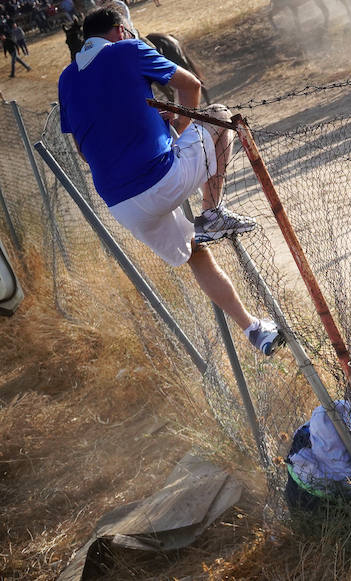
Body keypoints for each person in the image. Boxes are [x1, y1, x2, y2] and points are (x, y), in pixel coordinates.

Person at [58, 7, 284, 356]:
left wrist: (147, 131)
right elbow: (191, 85)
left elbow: (85, 152)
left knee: (196, 254)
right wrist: (176, 130)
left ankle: (254, 330)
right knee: (220, 116)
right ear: (120, 31)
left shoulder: (66, 77)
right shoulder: (128, 49)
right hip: (161, 179)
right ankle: (212, 213)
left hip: (123, 206)